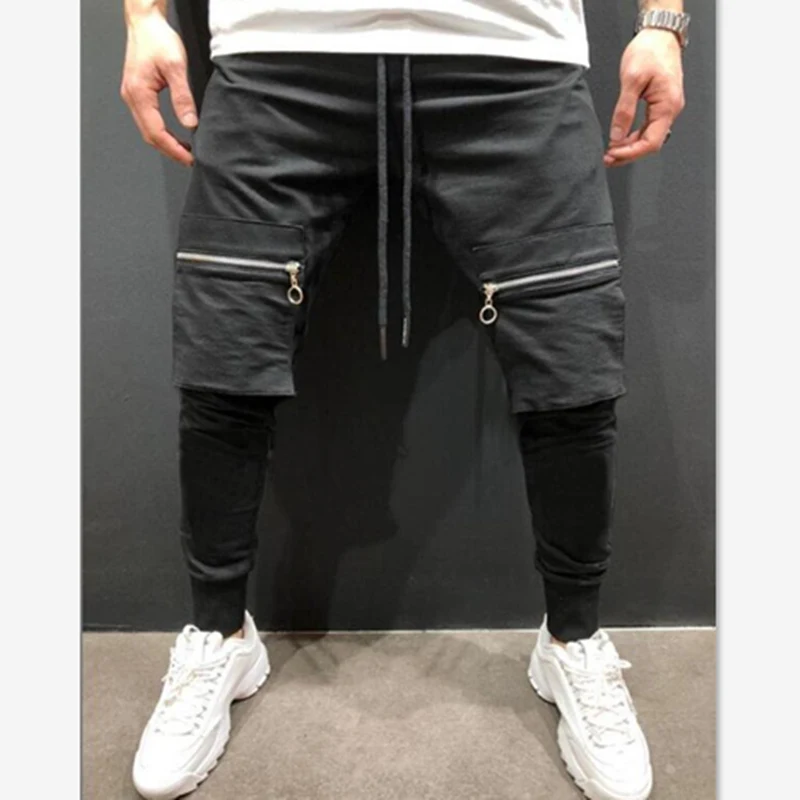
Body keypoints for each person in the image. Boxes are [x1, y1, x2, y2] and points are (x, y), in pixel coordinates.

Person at [120, 1, 688, 798]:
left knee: (572, 363)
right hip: (280, 50)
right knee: (225, 351)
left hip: (513, 55)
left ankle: (573, 642)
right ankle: (218, 635)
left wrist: (663, 22)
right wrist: (143, 16)